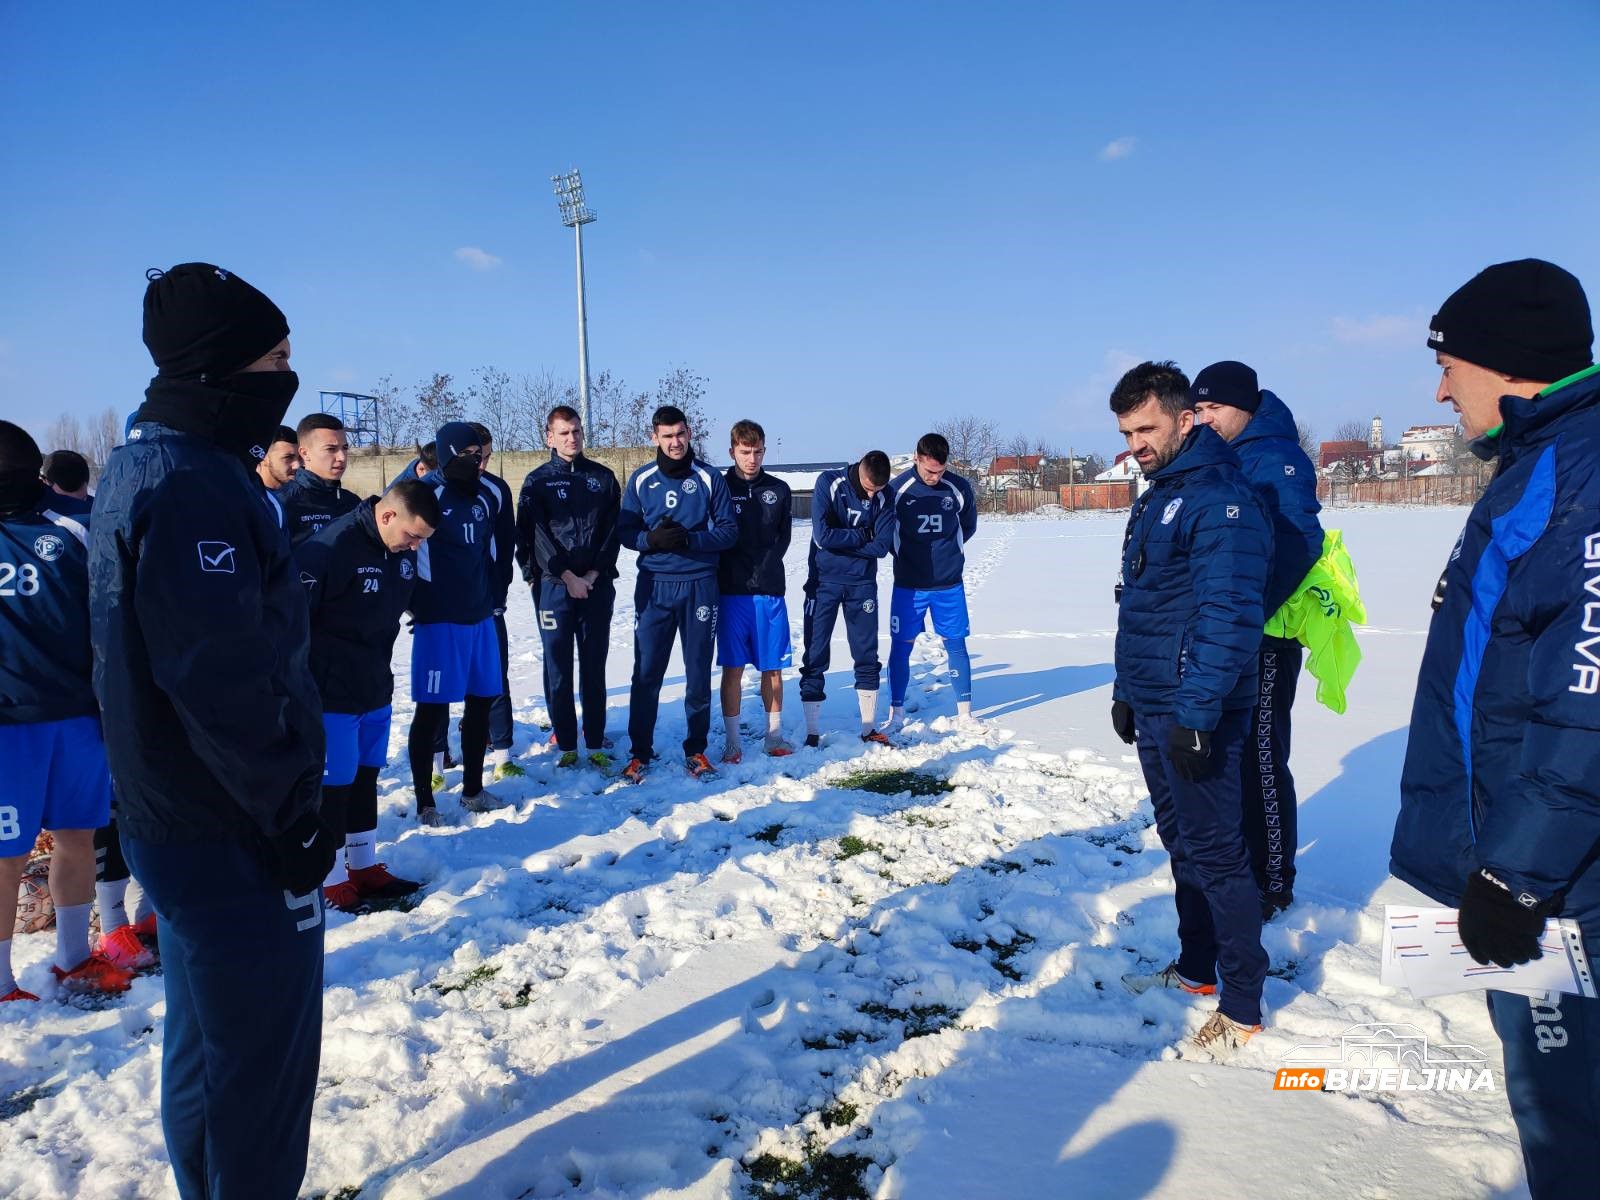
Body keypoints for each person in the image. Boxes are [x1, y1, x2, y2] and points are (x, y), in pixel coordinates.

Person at [90, 263, 332, 1199]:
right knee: (258, 1070)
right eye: (274, 358)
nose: (287, 375)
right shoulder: (188, 483)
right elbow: (217, 677)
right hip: (227, 824)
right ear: (219, 369)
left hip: (172, 817)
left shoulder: (155, 459)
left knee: (205, 1043)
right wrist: (289, 813)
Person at [1389, 259, 1598, 1200]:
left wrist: (1519, 872)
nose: (1440, 386)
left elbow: (1588, 698)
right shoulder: (1540, 465)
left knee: (1567, 1117)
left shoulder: (1582, 477)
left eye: (1449, 364)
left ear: (1507, 364)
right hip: (1527, 853)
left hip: (1563, 886)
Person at [1107, 360, 1272, 1056]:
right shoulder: (1158, 493)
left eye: (1147, 427)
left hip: (1195, 711)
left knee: (1217, 854)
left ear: (1185, 418)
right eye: (1126, 431)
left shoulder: (1219, 498)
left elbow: (1228, 613)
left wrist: (1198, 714)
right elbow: (1142, 604)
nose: (1137, 442)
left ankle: (1241, 1002)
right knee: (1181, 846)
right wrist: (1126, 691)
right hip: (1155, 706)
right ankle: (1198, 967)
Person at [0, 421, 131, 1003]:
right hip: (7, 727)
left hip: (77, 713)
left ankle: (74, 957)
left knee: (78, 833)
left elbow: (112, 611)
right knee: (7, 852)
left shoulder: (74, 523)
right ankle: (2, 982)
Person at [1191, 361, 1324, 919]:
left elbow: (1299, 544)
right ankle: (1242, 862)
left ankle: (1273, 880)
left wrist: (1245, 614)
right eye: (1197, 410)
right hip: (1231, 631)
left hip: (1267, 634)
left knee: (1264, 755)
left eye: (1214, 408)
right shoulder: (1229, 453)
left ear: (1245, 405)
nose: (1204, 419)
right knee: (1236, 753)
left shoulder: (1277, 458)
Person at [298, 481, 438, 911]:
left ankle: (363, 864)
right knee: (334, 786)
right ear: (387, 515)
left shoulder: (403, 553)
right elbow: (292, 624)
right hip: (331, 692)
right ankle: (331, 876)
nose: (415, 546)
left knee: (365, 777)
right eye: (412, 536)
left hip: (374, 686)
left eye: (422, 540)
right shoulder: (329, 548)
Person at [617, 404, 737, 783]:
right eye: (667, 436)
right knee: (646, 672)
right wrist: (649, 539)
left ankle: (696, 749)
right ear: (655, 437)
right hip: (654, 587)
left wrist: (690, 539)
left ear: (689, 434)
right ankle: (640, 752)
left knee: (698, 671)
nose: (675, 442)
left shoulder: (709, 478)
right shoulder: (641, 479)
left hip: (700, 585)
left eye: (681, 434)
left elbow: (729, 531)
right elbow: (624, 532)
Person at [407, 421, 505, 821]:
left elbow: (490, 554)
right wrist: (416, 605)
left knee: (481, 703)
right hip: (439, 621)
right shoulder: (425, 493)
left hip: (479, 617)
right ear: (447, 454)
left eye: (478, 455)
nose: (475, 462)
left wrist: (491, 600)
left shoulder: (486, 497)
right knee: (431, 710)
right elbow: (403, 549)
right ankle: (425, 802)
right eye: (465, 455)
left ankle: (473, 790)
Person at [514, 404, 620, 769]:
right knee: (558, 668)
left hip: (595, 586)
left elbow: (611, 533)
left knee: (594, 666)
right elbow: (533, 536)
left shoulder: (603, 478)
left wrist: (591, 575)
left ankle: (594, 740)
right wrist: (563, 577)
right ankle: (566, 742)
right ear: (549, 437)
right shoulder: (537, 481)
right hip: (554, 588)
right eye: (563, 432)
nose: (571, 438)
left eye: (576, 431)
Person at [799, 451, 895, 747]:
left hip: (862, 584)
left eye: (876, 490)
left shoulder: (885, 494)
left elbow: (881, 547)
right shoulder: (829, 482)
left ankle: (868, 728)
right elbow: (822, 537)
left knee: (867, 656)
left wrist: (847, 541)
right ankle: (812, 732)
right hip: (823, 583)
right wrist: (861, 535)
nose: (871, 494)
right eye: (867, 486)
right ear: (860, 470)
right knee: (815, 655)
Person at [885, 433, 979, 729]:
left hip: (948, 584)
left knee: (956, 644)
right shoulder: (897, 490)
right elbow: (887, 533)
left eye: (939, 471)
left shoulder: (959, 487)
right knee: (901, 647)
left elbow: (968, 527)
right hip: (909, 585)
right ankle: (896, 713)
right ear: (916, 458)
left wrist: (947, 556)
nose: (934, 477)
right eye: (928, 471)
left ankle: (965, 714)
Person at [717, 420, 794, 762]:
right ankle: (732, 742)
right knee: (733, 668)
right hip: (732, 593)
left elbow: (784, 537)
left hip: (769, 592)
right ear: (732, 450)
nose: (752, 459)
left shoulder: (779, 489)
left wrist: (765, 568)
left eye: (758, 452)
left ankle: (773, 736)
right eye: (745, 452)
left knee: (772, 667)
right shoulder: (716, 487)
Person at [473, 423, 521, 780]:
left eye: (488, 456)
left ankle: (503, 750)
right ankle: (439, 754)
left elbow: (506, 547)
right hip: (446, 607)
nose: (483, 464)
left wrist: (500, 590)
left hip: (489, 601)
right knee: (444, 684)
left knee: (495, 674)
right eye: (477, 456)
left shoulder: (496, 489)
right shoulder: (434, 489)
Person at [276, 412, 358, 545]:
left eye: (345, 448)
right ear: (304, 453)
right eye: (331, 449)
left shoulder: (353, 504)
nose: (342, 457)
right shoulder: (282, 503)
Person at [255, 424, 299, 492]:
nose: (297, 465)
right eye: (288, 457)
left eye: (299, 458)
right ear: (264, 457)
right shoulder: (242, 494)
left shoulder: (301, 498)